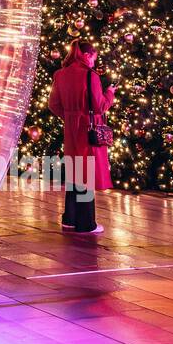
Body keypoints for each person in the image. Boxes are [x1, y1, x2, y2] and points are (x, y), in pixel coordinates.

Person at [48, 39, 116, 235]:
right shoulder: (90, 76)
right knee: (86, 173)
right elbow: (99, 105)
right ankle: (86, 223)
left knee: (75, 171)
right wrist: (110, 94)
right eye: (94, 58)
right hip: (87, 128)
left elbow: (53, 104)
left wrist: (70, 116)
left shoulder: (60, 74)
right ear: (87, 55)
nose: (94, 63)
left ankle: (69, 218)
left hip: (71, 129)